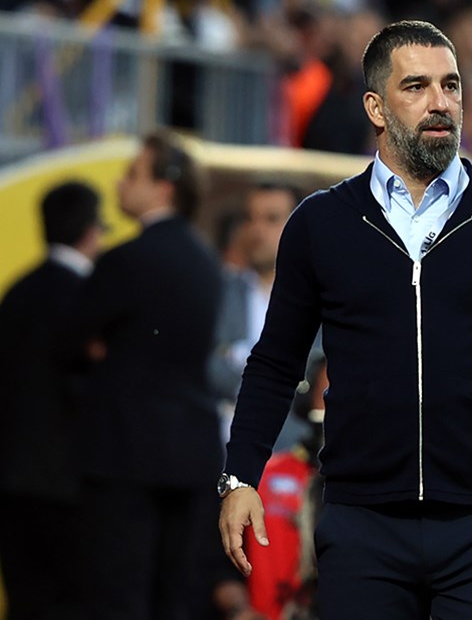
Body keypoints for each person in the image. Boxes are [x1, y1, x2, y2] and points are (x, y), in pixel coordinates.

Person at [219, 20, 472, 620]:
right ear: (376, 107)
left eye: (451, 85)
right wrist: (239, 475)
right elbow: (274, 363)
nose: (440, 102)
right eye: (417, 86)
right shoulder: (320, 224)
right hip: (361, 523)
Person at [70, 131, 224, 620]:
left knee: (117, 595)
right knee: (173, 598)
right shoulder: (208, 264)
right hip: (191, 453)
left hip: (124, 454)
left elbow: (74, 340)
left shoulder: (124, 260)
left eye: (133, 174)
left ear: (164, 188)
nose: (120, 184)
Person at [0, 181, 103, 620]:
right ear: (91, 231)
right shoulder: (89, 298)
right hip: (70, 484)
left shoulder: (16, 293)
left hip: (11, 478)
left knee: (25, 600)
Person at [209, 180, 313, 451]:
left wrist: (238, 363)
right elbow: (206, 366)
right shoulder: (218, 293)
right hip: (220, 454)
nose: (257, 230)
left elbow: (314, 378)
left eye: (271, 219)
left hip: (296, 456)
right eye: (250, 218)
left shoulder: (325, 302)